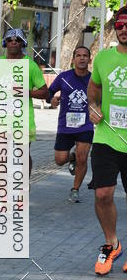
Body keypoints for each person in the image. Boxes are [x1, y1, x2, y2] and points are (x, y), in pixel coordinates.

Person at [87, 7, 127, 275]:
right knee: (103, 194)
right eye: (120, 25)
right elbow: (94, 91)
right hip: (106, 136)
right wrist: (92, 106)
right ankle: (111, 244)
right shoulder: (103, 58)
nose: (124, 29)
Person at [0, 27, 48, 175]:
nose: (14, 42)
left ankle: (24, 183)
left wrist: (27, 92)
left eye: (18, 40)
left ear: (23, 44)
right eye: (10, 40)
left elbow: (45, 92)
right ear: (5, 43)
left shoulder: (31, 65)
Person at [47, 46, 93, 202]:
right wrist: (51, 100)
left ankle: (75, 189)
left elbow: (101, 99)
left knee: (83, 157)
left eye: (85, 56)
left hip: (86, 125)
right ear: (73, 59)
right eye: (78, 55)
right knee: (60, 160)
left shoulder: (94, 80)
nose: (81, 58)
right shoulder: (64, 77)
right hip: (65, 125)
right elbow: (49, 92)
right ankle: (71, 157)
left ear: (89, 59)